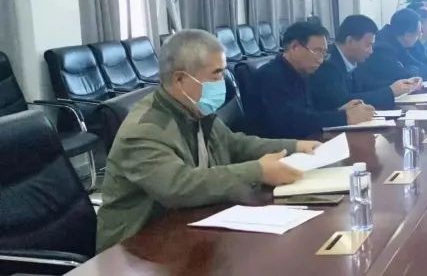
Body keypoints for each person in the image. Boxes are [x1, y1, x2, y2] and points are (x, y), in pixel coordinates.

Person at [96, 29, 322, 251]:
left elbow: (235, 144)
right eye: (216, 74)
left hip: (186, 228)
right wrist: (258, 171)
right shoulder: (144, 129)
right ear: (180, 79)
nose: (223, 81)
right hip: (135, 249)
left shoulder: (193, 109)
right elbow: (179, 186)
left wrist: (294, 146)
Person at [249, 22, 375, 139]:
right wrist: (344, 117)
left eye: (324, 53)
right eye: (317, 51)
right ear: (295, 47)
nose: (321, 59)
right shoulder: (270, 76)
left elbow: (310, 113)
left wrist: (340, 110)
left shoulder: (304, 72)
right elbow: (289, 122)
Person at [309, 14, 421, 111]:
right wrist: (390, 92)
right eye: (368, 45)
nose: (371, 51)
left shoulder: (355, 62)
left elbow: (368, 85)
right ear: (350, 41)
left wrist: (400, 86)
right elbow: (343, 100)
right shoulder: (328, 65)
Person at [357, 8, 427, 85]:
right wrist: (416, 69)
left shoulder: (397, 42)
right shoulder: (382, 50)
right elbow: (407, 78)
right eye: (418, 34)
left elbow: (420, 66)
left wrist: (413, 69)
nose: (419, 38)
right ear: (407, 35)